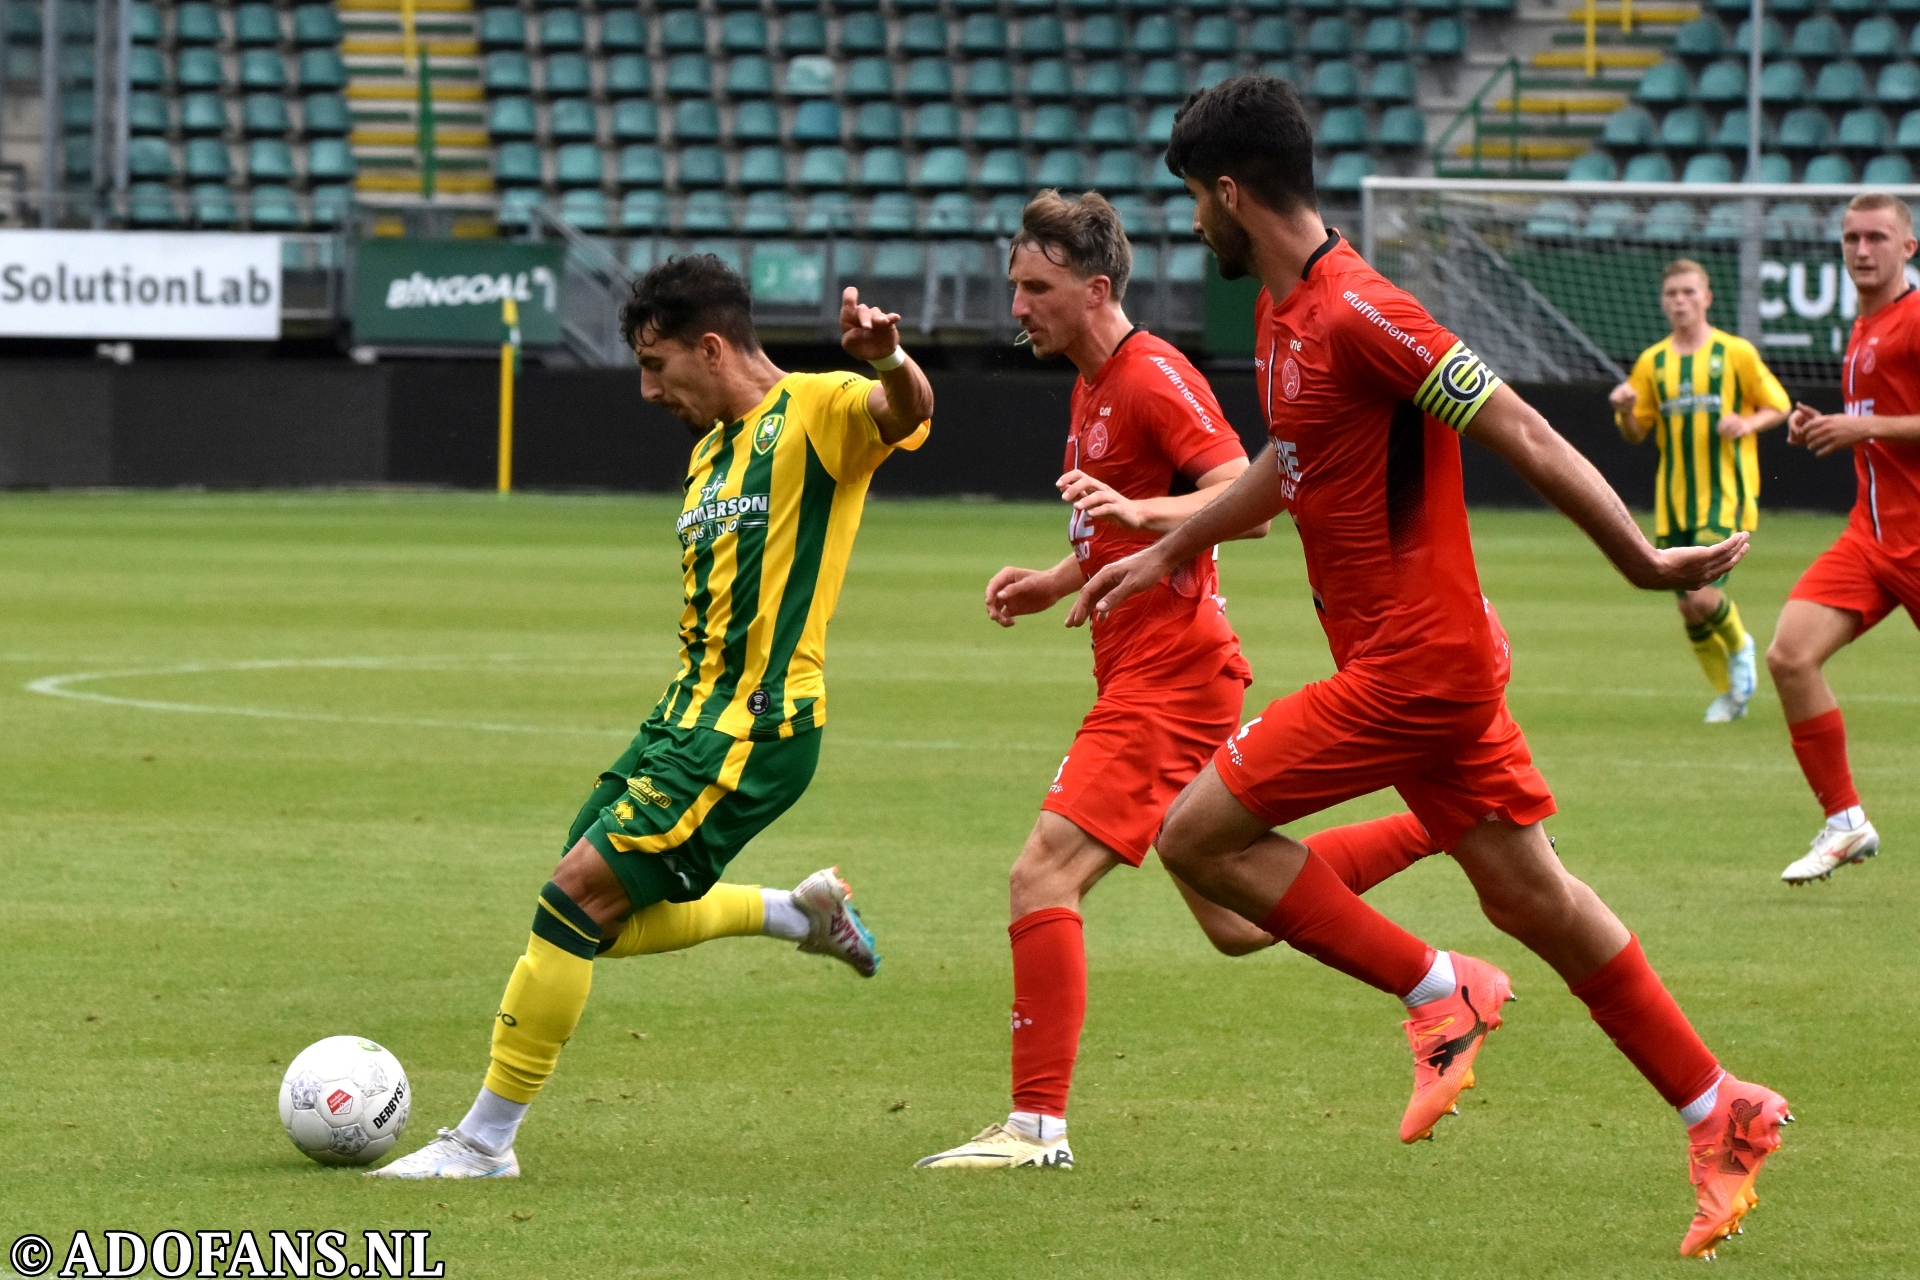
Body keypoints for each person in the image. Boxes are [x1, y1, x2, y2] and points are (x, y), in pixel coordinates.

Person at [1071, 76, 1790, 1260]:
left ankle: (1436, 988)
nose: (1192, 225)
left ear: (1232, 192)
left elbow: (1525, 427)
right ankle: (1721, 1108)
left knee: (1197, 838)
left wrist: (1642, 561)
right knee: (1534, 897)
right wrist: (1174, 542)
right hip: (1415, 662)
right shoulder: (1282, 310)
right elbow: (1287, 464)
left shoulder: (1365, 310)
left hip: (1418, 665)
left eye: (1196, 199)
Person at [371, 255, 934, 1179]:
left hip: (756, 727)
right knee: (594, 914)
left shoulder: (823, 408)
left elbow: (906, 414)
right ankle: (797, 913)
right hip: (681, 718)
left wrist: (889, 360)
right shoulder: (712, 448)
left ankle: (482, 1143)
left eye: (656, 364)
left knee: (571, 899)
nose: (645, 388)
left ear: (710, 348)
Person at [914, 190, 1442, 1172]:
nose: (1016, 306)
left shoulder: (1153, 373)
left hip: (1171, 676)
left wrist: (1136, 515)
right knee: (1236, 918)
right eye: (1014, 286)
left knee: (1043, 871)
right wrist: (1055, 578)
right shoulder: (1090, 380)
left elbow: (1242, 499)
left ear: (1094, 286)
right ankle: (1434, 823)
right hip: (1154, 666)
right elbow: (1128, 519)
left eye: (1035, 287)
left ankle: (1036, 1125)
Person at [1769, 192, 1920, 884]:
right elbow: (1878, 426)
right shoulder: (1863, 328)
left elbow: (1883, 426)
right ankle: (1845, 821)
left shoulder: (1915, 320)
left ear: (1907, 248)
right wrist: (1824, 426)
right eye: (1853, 238)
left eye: (1878, 238)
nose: (1863, 249)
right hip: (1871, 539)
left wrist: (1863, 428)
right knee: (1790, 656)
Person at [1609, 260, 1790, 722]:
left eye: (1689, 292)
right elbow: (1636, 432)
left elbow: (1778, 404)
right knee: (1689, 610)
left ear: (1707, 298)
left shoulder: (1735, 354)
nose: (1680, 301)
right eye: (1672, 293)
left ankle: (1741, 647)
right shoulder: (1653, 362)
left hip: (1725, 496)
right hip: (1674, 504)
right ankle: (1730, 695)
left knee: (1703, 595)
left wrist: (1746, 422)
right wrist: (1627, 410)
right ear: (1663, 301)